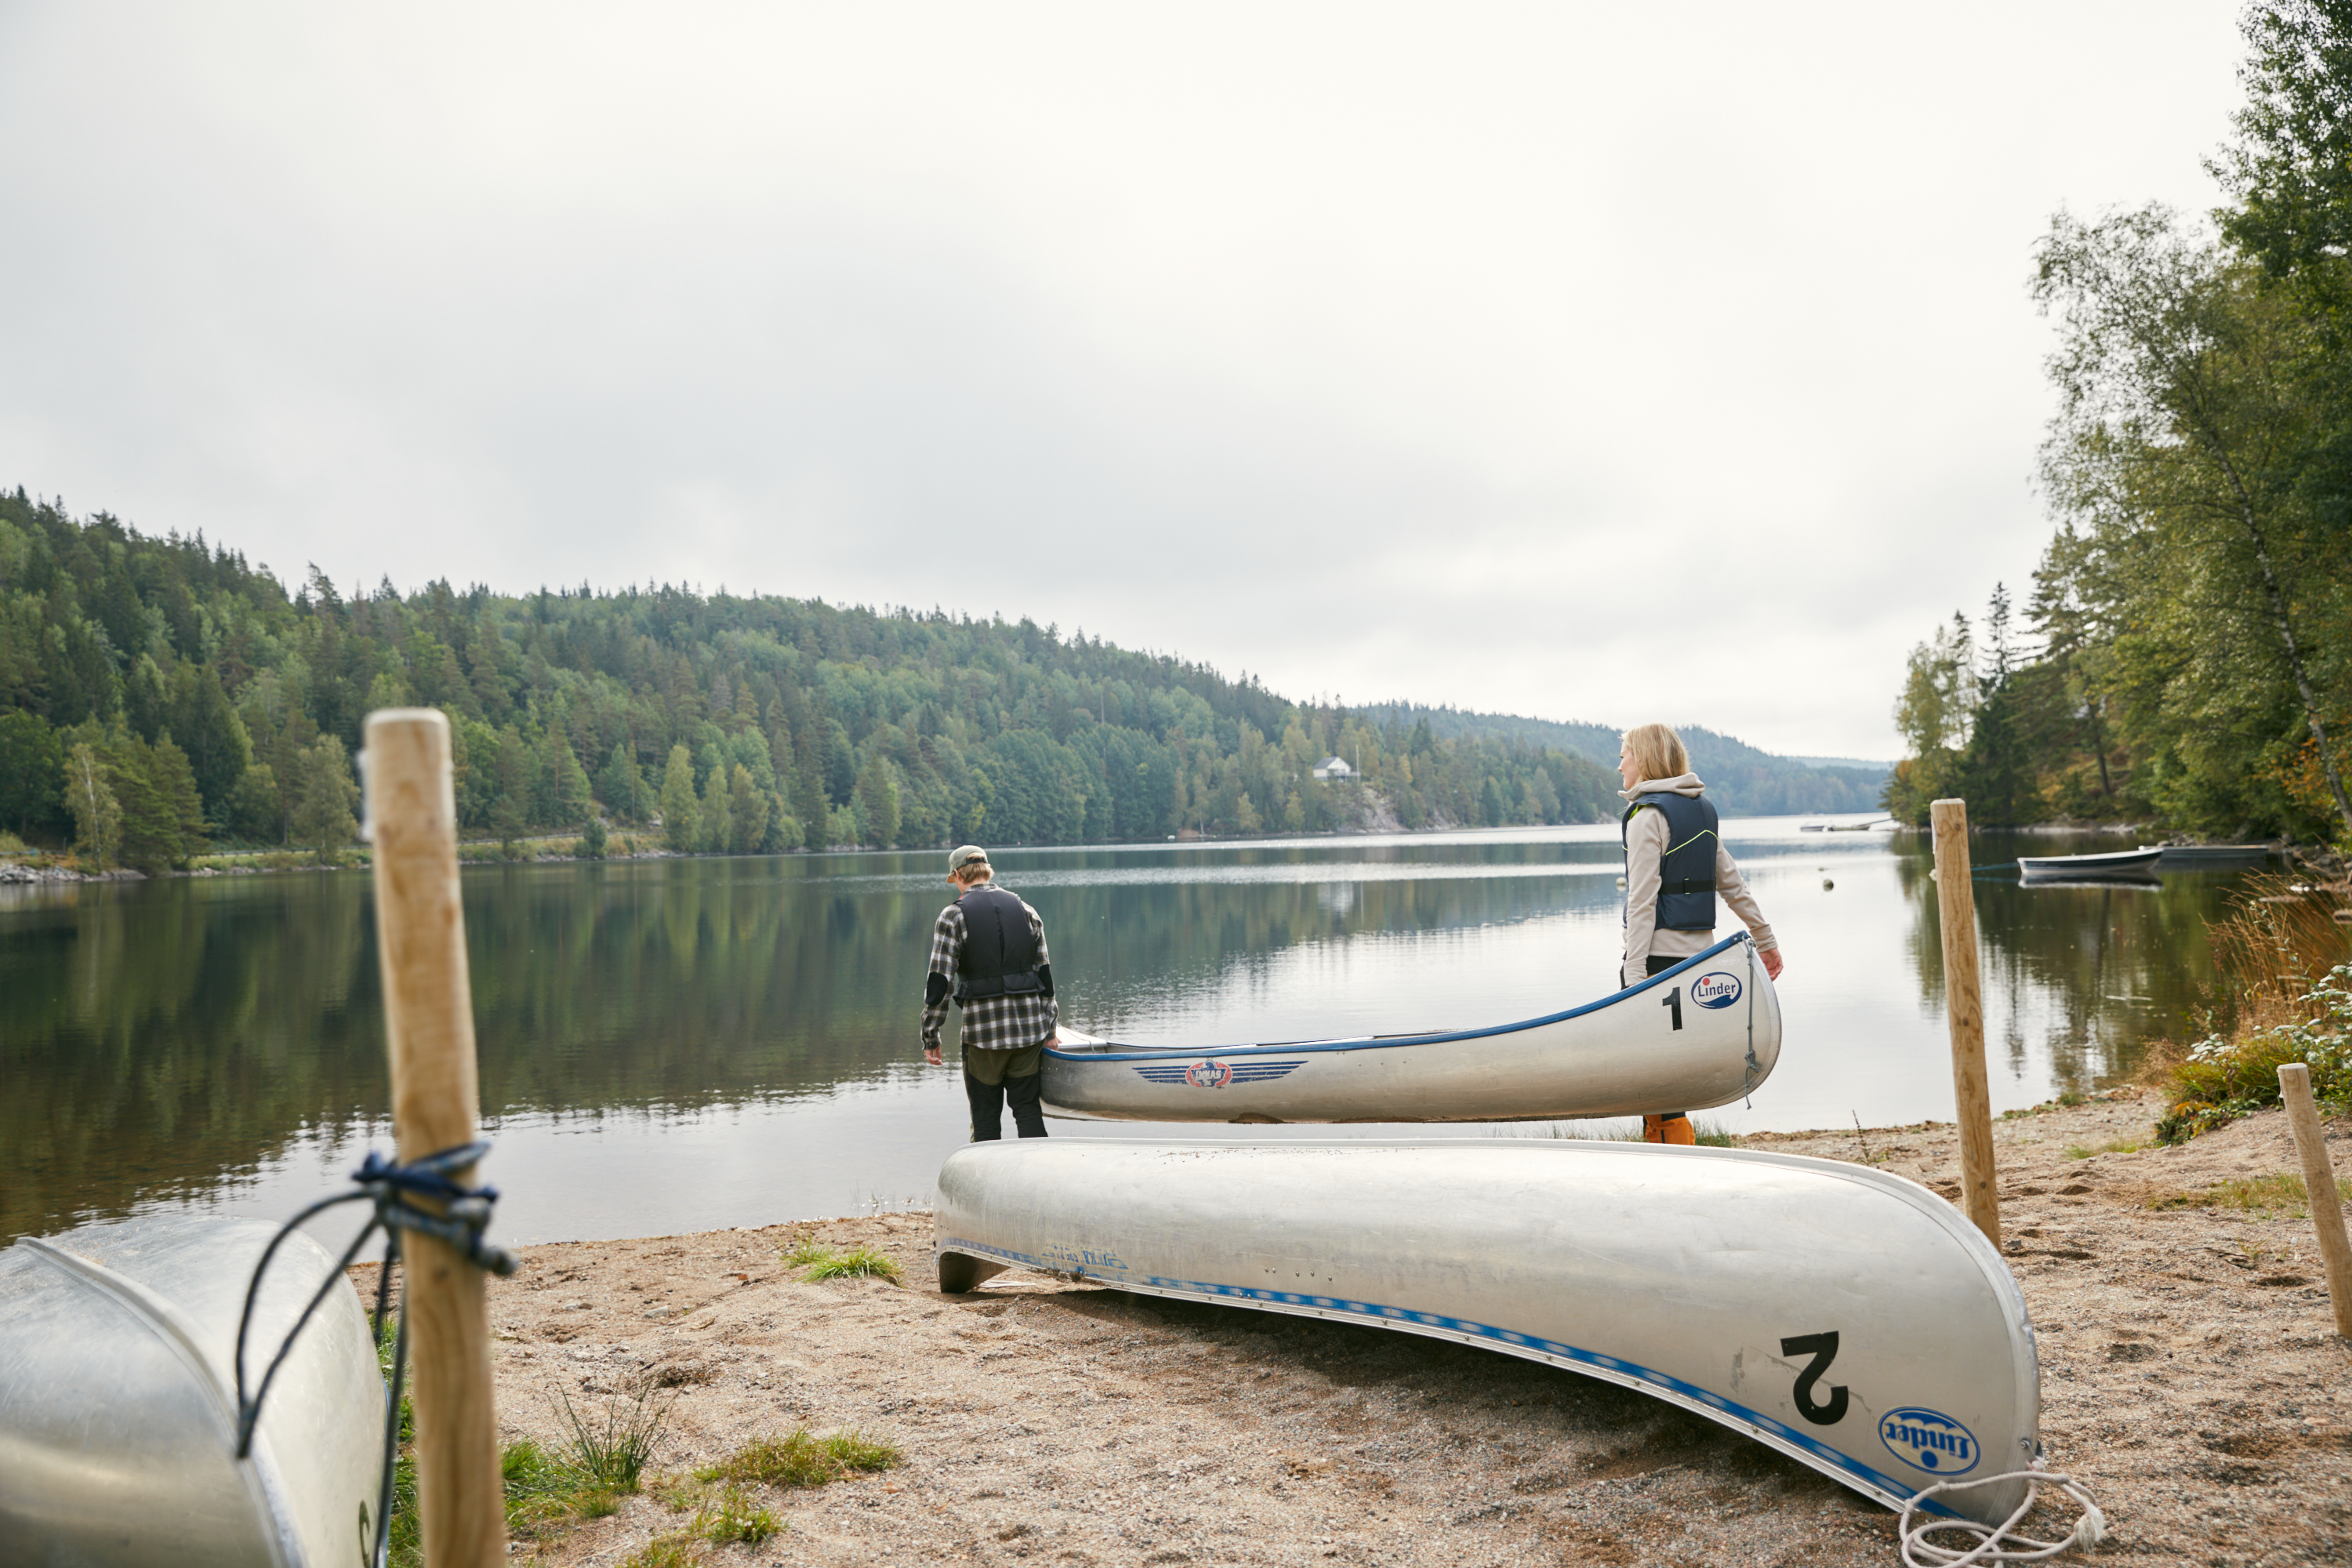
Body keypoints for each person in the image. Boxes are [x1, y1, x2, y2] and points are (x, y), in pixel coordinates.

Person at [1617, 723, 1784, 1146]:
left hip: (1655, 965)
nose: (1619, 764)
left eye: (1625, 755)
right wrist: (1766, 941)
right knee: (1672, 1072)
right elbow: (1733, 884)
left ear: (1645, 759)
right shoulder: (1701, 812)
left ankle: (1671, 1154)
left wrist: (1633, 975)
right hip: (1698, 966)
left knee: (1653, 1072)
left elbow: (1642, 903)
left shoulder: (1647, 818)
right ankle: (1670, 1154)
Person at [921, 844, 1058, 1141]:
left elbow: (940, 983)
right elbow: (1044, 976)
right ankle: (1039, 1178)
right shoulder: (1026, 910)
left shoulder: (952, 917)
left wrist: (930, 1034)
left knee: (985, 1118)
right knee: (1028, 1109)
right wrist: (1051, 1029)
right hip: (1029, 1031)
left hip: (983, 1036)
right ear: (987, 870)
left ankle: (986, 1181)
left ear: (957, 875)